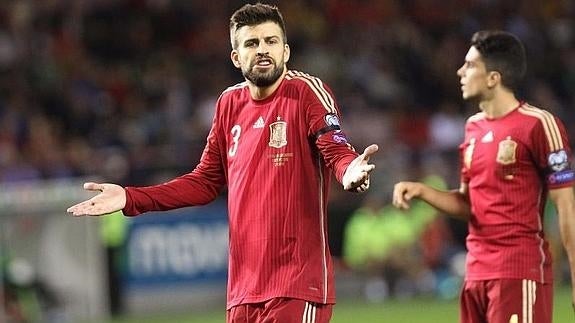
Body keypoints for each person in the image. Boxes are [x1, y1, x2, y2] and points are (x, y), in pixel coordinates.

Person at [67, 3, 378, 322]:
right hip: (243, 293)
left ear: (286, 51)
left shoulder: (306, 92)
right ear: (235, 56)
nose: (262, 50)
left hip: (297, 284)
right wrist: (131, 197)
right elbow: (204, 182)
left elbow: (335, 147)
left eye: (271, 41)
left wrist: (350, 170)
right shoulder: (229, 104)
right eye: (252, 43)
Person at [392, 30, 575, 323]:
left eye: (470, 65)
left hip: (519, 271)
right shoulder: (473, 128)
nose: (460, 71)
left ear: (494, 78)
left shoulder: (540, 125)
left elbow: (567, 206)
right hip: (476, 273)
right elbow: (469, 204)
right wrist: (422, 191)